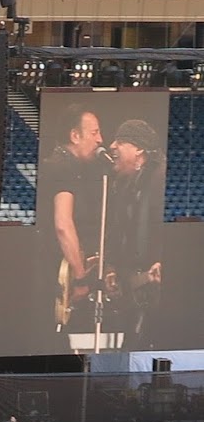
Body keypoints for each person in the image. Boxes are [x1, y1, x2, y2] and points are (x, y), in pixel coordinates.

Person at [39, 101, 106, 338]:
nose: (100, 139)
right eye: (94, 132)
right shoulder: (62, 168)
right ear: (75, 136)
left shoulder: (70, 167)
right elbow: (63, 225)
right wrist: (80, 278)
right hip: (54, 278)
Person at [103, 117, 166, 350]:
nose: (112, 146)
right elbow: (118, 232)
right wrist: (111, 267)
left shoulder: (160, 179)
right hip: (135, 288)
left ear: (139, 149)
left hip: (156, 289)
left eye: (120, 141)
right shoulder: (124, 185)